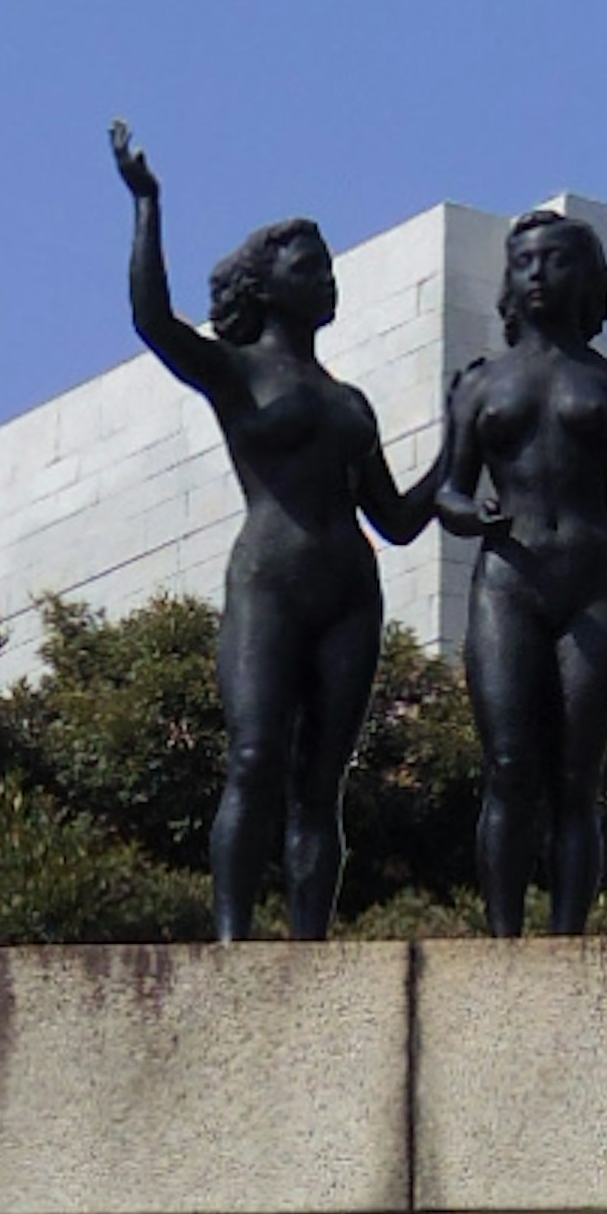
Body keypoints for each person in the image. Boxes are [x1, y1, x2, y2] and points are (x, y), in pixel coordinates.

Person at [112, 124, 416, 940]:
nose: (326, 279)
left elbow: (395, 518)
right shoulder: (235, 371)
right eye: (307, 266)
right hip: (269, 583)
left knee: (323, 785)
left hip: (351, 588)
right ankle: (232, 939)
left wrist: (462, 445)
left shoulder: (352, 402)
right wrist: (148, 204)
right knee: (253, 759)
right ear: (264, 282)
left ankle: (309, 945)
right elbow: (152, 320)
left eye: (327, 266)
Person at [424, 210, 607, 937]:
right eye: (526, 262)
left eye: (555, 260)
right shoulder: (481, 385)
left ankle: (566, 937)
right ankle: (504, 938)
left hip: (596, 583)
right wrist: (467, 513)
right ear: (511, 279)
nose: (538, 273)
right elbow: (448, 489)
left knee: (578, 776)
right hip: (509, 579)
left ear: (588, 278)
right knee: (509, 764)